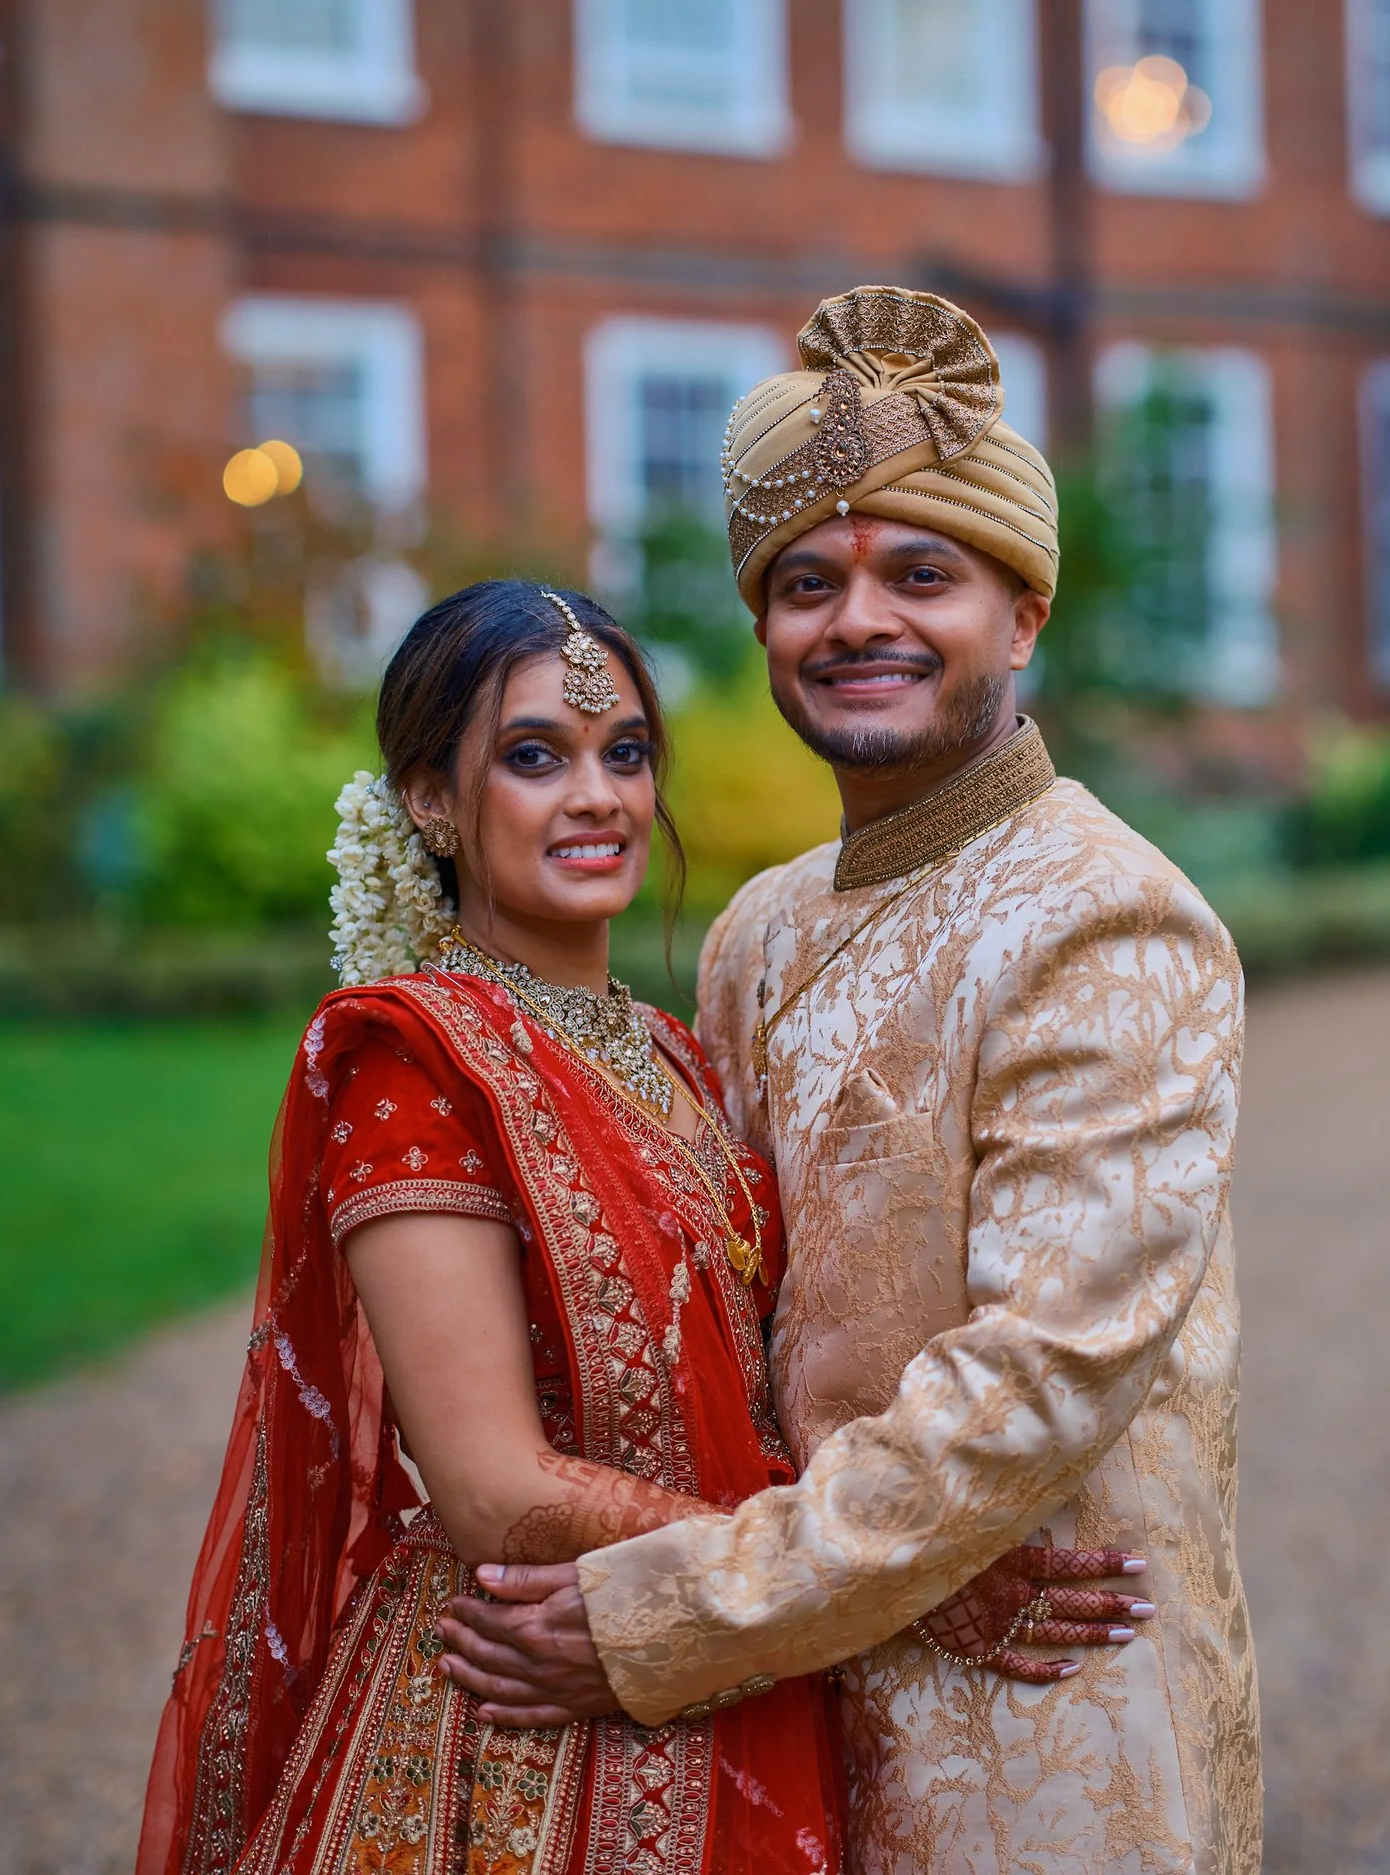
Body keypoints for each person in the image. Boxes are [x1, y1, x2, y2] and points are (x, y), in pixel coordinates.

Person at [436, 286, 1261, 1872]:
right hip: (802, 1679)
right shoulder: (760, 929)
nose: (856, 618)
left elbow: (1030, 1389)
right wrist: (897, 1570)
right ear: (763, 633)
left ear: (1021, 616)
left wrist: (662, 1612)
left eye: (922, 574)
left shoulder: (1110, 917)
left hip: (1040, 1716)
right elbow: (720, 1316)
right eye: (807, 582)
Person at [135, 579, 1137, 1875]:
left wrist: (841, 1566)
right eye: (535, 757)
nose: (599, 797)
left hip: (730, 1647)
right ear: (433, 801)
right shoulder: (414, 1061)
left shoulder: (678, 1057)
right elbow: (496, 1491)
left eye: (627, 753)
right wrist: (896, 1575)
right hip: (534, 1711)